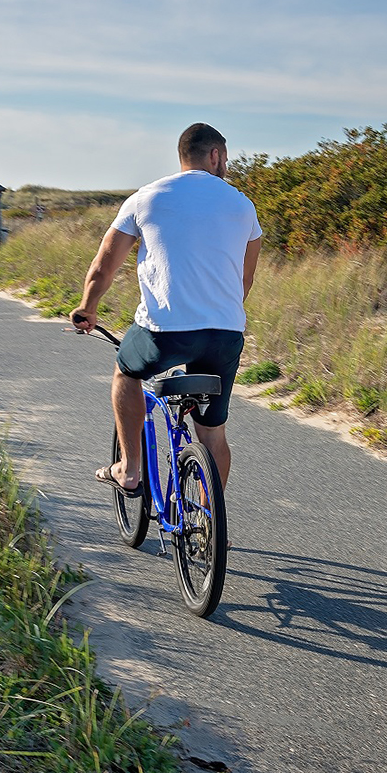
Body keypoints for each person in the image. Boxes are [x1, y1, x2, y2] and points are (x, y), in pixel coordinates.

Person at [70, 123, 263, 496]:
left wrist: (87, 308)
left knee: (126, 373)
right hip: (224, 334)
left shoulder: (146, 198)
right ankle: (211, 524)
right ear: (216, 156)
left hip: (164, 332)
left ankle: (129, 469)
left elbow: (103, 267)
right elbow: (245, 280)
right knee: (213, 434)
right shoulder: (242, 205)